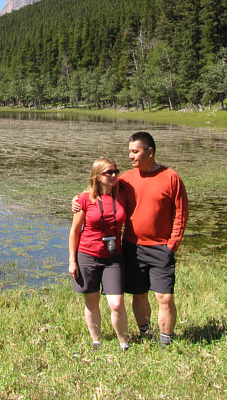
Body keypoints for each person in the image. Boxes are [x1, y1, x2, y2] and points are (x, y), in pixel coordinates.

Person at [73, 132, 188, 347]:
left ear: (150, 152)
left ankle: (166, 342)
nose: (130, 156)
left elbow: (181, 213)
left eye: (135, 152)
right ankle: (146, 334)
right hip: (132, 247)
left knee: (165, 297)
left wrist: (173, 243)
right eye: (129, 152)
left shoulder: (171, 177)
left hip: (161, 247)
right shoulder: (125, 179)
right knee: (139, 294)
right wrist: (77, 200)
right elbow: (98, 190)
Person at [68, 157, 130, 351]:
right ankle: (96, 340)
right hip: (87, 255)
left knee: (117, 303)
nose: (113, 176)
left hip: (113, 258)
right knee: (92, 301)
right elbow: (75, 231)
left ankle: (124, 342)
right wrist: (72, 261)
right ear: (97, 176)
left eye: (116, 171)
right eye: (108, 172)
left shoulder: (122, 196)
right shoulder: (84, 199)